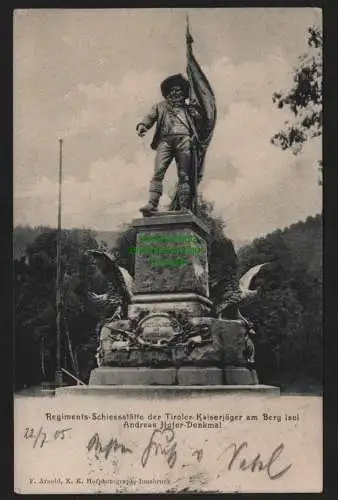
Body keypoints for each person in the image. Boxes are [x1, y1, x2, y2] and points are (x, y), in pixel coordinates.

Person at [137, 73, 204, 215]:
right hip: (165, 142)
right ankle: (152, 204)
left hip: (184, 141)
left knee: (184, 175)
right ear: (167, 92)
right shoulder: (160, 107)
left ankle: (184, 206)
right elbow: (149, 117)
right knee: (158, 172)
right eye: (172, 90)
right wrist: (142, 125)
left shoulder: (188, 109)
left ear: (183, 92)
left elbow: (200, 124)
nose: (175, 92)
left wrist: (195, 113)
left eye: (178, 90)